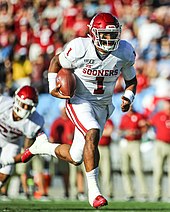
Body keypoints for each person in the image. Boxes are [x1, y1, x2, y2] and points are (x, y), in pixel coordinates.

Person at [21, 12, 137, 208]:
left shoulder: (124, 51)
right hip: (79, 100)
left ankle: (42, 147)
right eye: (104, 34)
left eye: (112, 34)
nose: (109, 39)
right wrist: (51, 87)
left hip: (103, 104)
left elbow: (131, 80)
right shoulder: (80, 48)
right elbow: (56, 62)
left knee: (76, 157)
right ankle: (95, 193)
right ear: (93, 33)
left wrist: (128, 97)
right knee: (92, 132)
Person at [0, 85, 44, 199]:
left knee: (4, 174)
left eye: (28, 106)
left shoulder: (34, 122)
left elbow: (27, 151)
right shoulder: (3, 102)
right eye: (23, 104)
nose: (25, 108)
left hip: (12, 143)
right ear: (16, 100)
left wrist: (9, 160)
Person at [119, 106, 148, 201]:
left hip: (135, 143)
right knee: (125, 169)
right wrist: (126, 132)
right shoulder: (124, 117)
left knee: (138, 168)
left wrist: (138, 132)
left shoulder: (138, 116)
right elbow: (119, 131)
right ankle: (129, 192)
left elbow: (145, 128)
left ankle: (144, 192)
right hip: (126, 143)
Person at [49, 101, 75, 199]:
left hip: (72, 149)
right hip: (61, 150)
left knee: (71, 172)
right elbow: (52, 136)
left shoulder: (72, 120)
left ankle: (72, 191)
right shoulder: (57, 121)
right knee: (61, 172)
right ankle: (65, 191)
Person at [149, 99, 170, 201]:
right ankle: (157, 194)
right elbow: (149, 123)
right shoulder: (158, 115)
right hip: (160, 144)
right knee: (158, 170)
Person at [98, 118, 114, 199]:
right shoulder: (95, 119)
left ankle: (109, 192)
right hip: (96, 147)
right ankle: (97, 194)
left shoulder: (109, 121)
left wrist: (98, 132)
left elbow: (109, 132)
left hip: (105, 148)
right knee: (95, 172)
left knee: (107, 171)